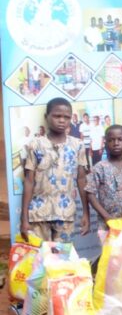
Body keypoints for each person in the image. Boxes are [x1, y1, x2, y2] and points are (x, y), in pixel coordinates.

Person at [20, 98, 90, 243]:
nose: (62, 120)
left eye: (66, 117)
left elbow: (82, 180)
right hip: (38, 214)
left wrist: (86, 213)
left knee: (63, 256)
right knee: (40, 255)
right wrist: (24, 218)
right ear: (46, 117)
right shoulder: (35, 145)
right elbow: (29, 181)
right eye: (57, 116)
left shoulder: (77, 145)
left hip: (65, 214)